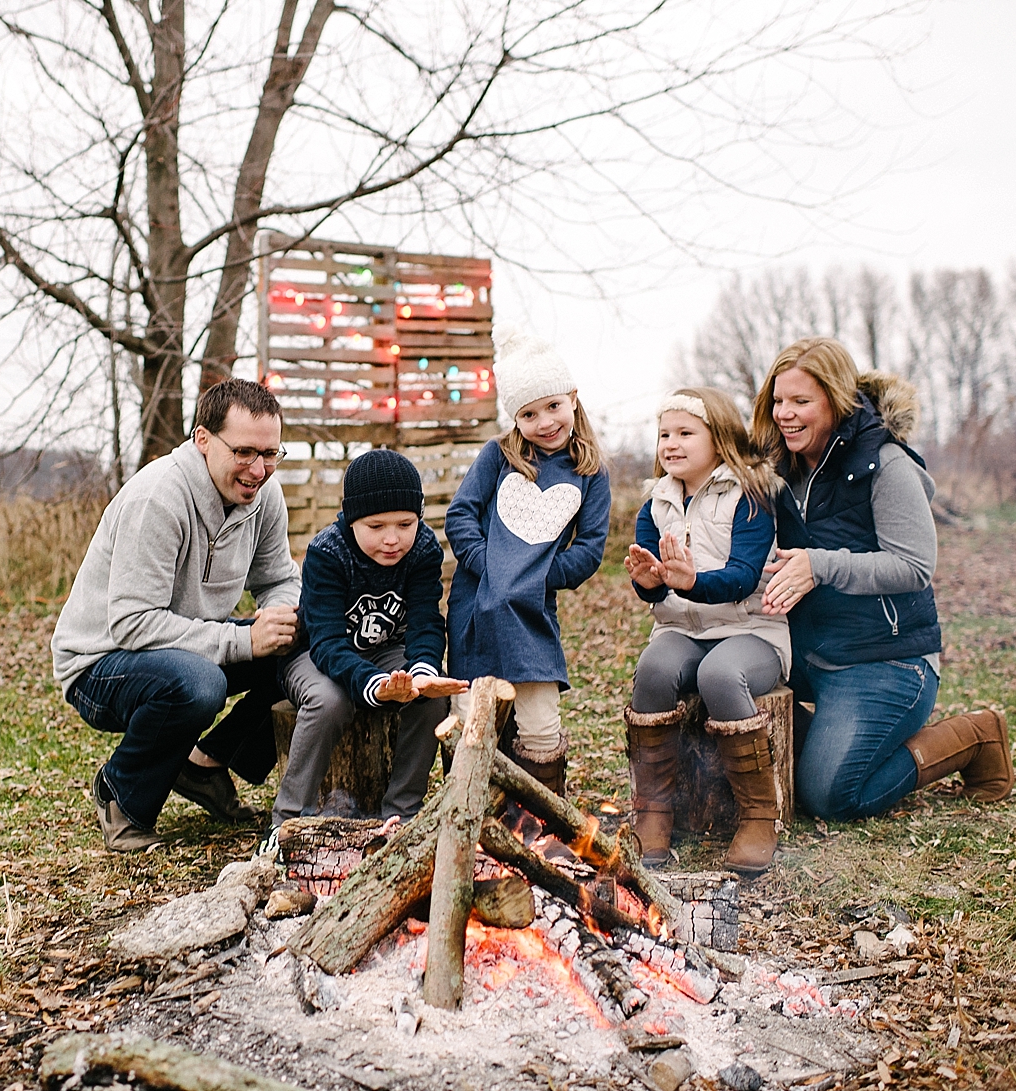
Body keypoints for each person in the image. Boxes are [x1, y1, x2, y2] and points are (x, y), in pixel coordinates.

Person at [753, 337, 1011, 820]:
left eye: (801, 402)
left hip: (887, 660)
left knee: (829, 795)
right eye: (778, 400)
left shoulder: (884, 462)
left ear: (837, 400)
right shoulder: (778, 467)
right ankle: (833, 738)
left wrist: (819, 563)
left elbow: (914, 566)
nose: (784, 413)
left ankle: (975, 736)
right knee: (720, 686)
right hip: (808, 654)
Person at [51, 379, 301, 852]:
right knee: (198, 683)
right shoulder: (159, 498)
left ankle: (204, 764)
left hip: (190, 647)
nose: (259, 469)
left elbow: (279, 577)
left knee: (304, 639)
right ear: (203, 439)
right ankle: (121, 795)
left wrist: (279, 614)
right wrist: (244, 641)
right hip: (102, 662)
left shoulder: (264, 494)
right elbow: (132, 623)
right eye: (245, 451)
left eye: (271, 453)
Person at [623, 388, 790, 874]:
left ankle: (760, 815)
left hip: (751, 630)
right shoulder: (656, 503)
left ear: (718, 438)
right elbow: (657, 588)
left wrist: (692, 581)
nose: (671, 444)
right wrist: (650, 584)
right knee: (653, 669)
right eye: (664, 435)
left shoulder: (751, 496)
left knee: (720, 675)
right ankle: (654, 809)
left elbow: (742, 578)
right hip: (682, 629)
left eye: (685, 433)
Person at [445, 328, 611, 795]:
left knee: (539, 721)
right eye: (529, 413)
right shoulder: (498, 457)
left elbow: (589, 548)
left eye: (553, 406)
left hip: (532, 612)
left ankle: (539, 822)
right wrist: (489, 564)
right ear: (516, 419)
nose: (545, 422)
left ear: (573, 399)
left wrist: (538, 579)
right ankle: (468, 812)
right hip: (476, 604)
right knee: (469, 717)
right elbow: (460, 515)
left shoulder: (589, 473)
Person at [271, 449, 469, 835]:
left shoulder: (424, 549)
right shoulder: (327, 553)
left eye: (405, 524)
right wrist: (375, 686)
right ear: (351, 519)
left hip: (386, 650)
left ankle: (402, 812)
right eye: (376, 526)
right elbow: (327, 641)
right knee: (330, 701)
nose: (393, 539)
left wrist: (423, 671)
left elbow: (427, 622)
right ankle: (289, 820)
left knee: (429, 697)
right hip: (315, 655)